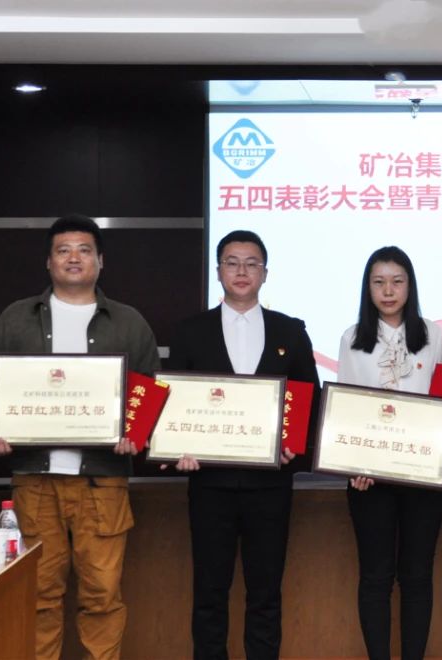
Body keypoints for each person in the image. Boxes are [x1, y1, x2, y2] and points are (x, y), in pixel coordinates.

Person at [0, 215, 160, 660]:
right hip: (35, 482)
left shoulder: (129, 322)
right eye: (63, 250)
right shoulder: (16, 318)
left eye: (83, 250)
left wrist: (134, 434)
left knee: (102, 596)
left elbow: (149, 388)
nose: (73, 258)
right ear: (49, 261)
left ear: (100, 260)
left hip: (103, 481)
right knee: (39, 594)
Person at [165, 230, 320, 660]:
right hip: (209, 484)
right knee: (209, 593)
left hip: (269, 486)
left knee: (265, 594)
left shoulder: (290, 330)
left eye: (252, 264)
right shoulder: (190, 331)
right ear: (218, 272)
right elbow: (172, 402)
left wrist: (294, 447)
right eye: (232, 262)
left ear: (265, 274)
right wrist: (178, 448)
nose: (242, 271)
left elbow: (309, 399)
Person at [336, 246, 442, 660]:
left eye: (397, 282)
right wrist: (354, 465)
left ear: (410, 286)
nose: (388, 291)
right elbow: (345, 409)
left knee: (417, 577)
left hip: (422, 475)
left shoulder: (432, 334)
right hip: (369, 478)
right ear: (368, 288)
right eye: (379, 282)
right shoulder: (352, 338)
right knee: (376, 577)